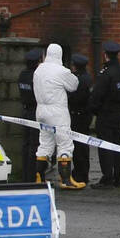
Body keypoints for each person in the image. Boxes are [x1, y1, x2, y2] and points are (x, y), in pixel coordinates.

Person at [33, 42, 83, 189]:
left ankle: (39, 178)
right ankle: (66, 180)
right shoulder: (62, 71)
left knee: (45, 144)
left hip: (41, 111)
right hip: (57, 112)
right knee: (65, 144)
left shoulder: (38, 70)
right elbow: (74, 86)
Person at [90, 40, 120, 188]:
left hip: (105, 115)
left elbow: (96, 96)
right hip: (119, 113)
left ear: (105, 55)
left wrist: (95, 110)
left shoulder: (106, 74)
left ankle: (107, 177)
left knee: (105, 146)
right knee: (118, 145)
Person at [68, 52, 93, 187]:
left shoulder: (78, 80)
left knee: (78, 148)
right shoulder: (87, 78)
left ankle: (80, 174)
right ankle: (83, 173)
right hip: (85, 115)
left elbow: (76, 98)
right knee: (83, 146)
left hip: (78, 116)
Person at [17, 47, 41, 183]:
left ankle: (25, 176)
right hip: (34, 112)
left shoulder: (22, 75)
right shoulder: (35, 77)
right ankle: (32, 177)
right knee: (34, 145)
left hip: (25, 111)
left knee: (26, 144)